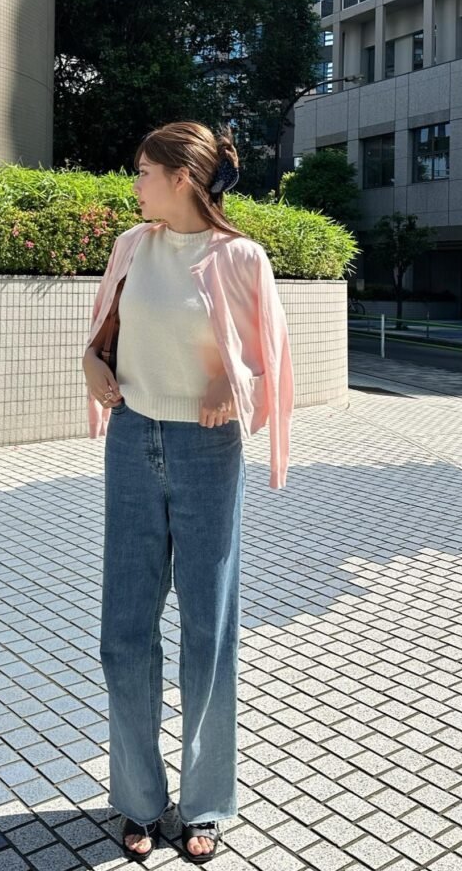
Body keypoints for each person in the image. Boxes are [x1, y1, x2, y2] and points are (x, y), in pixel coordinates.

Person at [82, 121, 294, 864]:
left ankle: (205, 803)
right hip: (134, 442)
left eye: (143, 171)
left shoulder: (241, 258)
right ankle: (139, 800)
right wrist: (90, 364)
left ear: (184, 177)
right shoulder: (130, 248)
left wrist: (235, 390)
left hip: (207, 454)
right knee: (125, 635)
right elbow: (104, 334)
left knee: (210, 632)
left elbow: (273, 369)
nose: (133, 183)